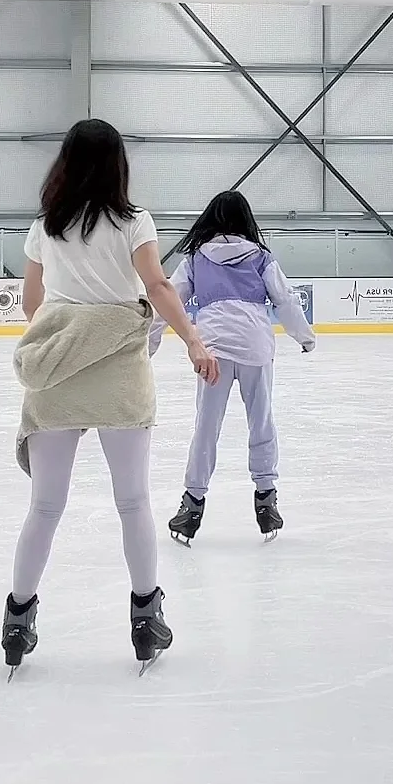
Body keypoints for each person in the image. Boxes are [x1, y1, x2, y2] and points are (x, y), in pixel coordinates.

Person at [5, 120, 219, 675]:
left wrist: (69, 341)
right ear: (118, 164)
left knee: (44, 507)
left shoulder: (45, 226)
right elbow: (157, 286)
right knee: (132, 502)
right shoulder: (133, 222)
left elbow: (32, 303)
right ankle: (146, 617)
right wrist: (193, 340)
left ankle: (17, 620)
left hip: (58, 376)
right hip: (121, 374)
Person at [151, 190, 315, 542]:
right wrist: (304, 336)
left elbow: (169, 299)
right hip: (256, 347)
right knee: (262, 421)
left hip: (213, 351)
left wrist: (149, 340)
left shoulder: (196, 258)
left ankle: (192, 505)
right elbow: (285, 300)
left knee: (206, 427)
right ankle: (266, 499)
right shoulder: (261, 257)